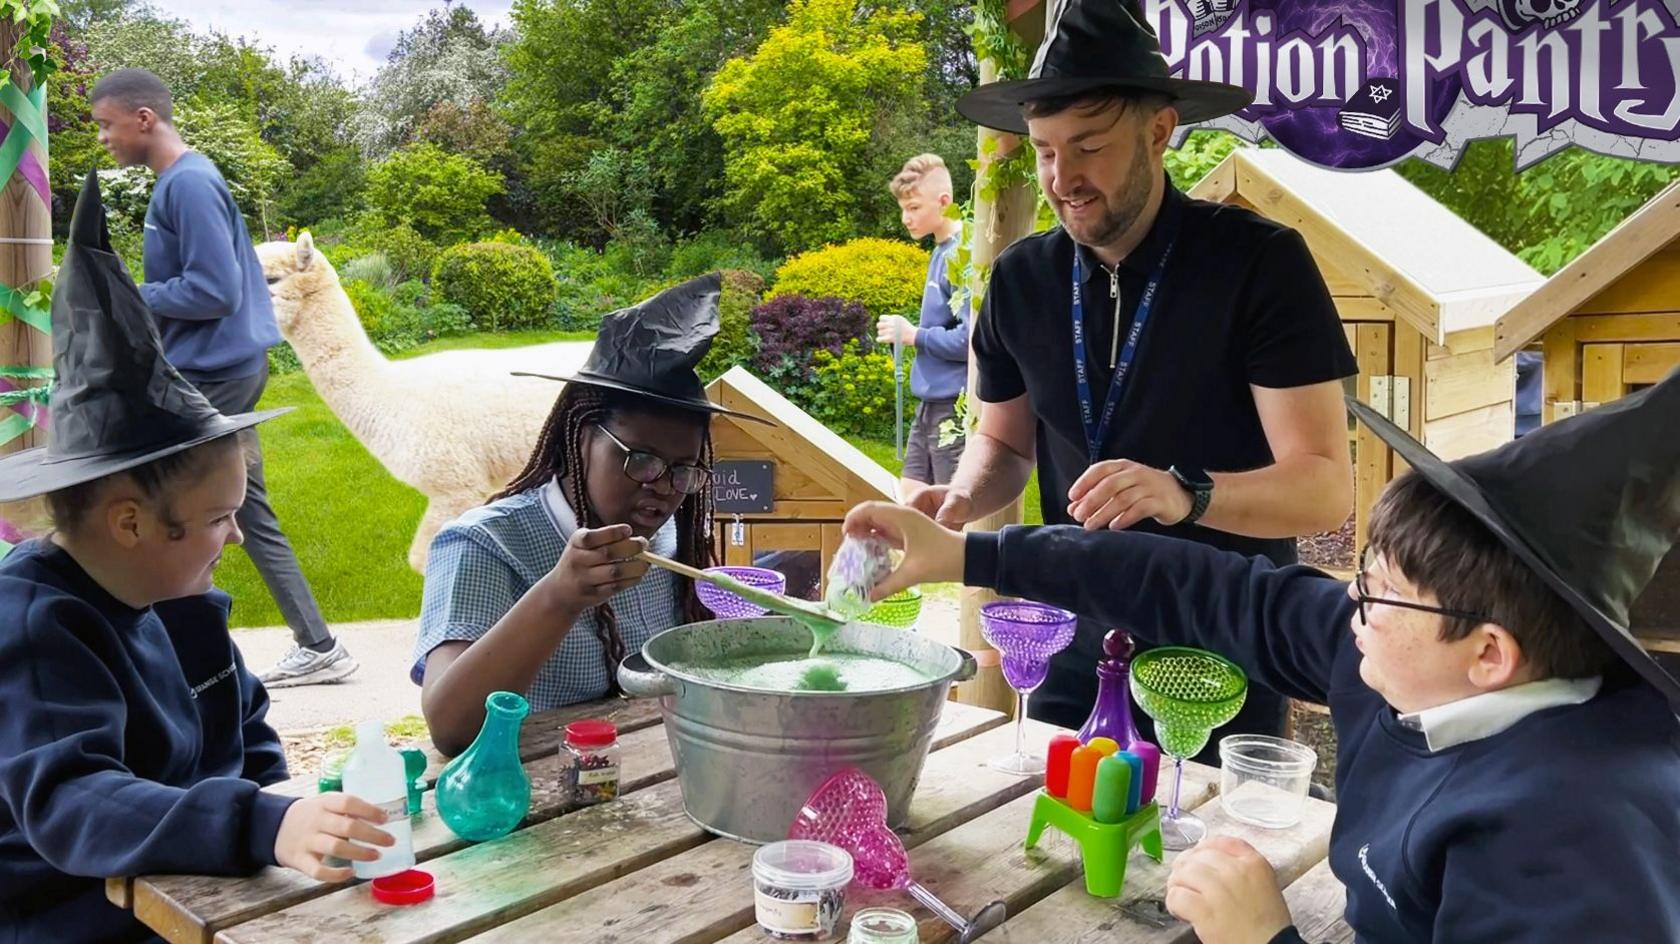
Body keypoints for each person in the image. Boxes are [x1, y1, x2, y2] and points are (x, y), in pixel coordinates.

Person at [845, 367, 1680, 943]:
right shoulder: (1401, 664)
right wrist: (968, 557)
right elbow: (1193, 584)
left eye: (1376, 596)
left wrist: (1265, 937)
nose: (1348, 610)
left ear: (1490, 654)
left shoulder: (1579, 839)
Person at [931, 0, 1357, 747]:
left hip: (1220, 652)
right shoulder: (1021, 279)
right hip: (1070, 633)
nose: (1064, 178)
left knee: (1194, 857)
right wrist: (960, 496)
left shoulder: (1259, 265)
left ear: (1159, 131)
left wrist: (1183, 493)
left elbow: (1323, 487)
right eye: (1044, 150)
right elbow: (1003, 444)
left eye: (1089, 146)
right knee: (1056, 847)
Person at [0, 175, 394, 943]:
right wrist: (258, 826)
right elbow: (77, 799)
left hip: (208, 902)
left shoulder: (180, 603)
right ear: (130, 523)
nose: (239, 538)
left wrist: (283, 818)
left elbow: (246, 740)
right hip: (77, 921)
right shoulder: (35, 629)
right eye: (219, 518)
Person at [413, 274, 769, 754]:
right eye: (640, 460)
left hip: (658, 784)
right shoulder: (484, 545)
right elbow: (450, 728)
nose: (663, 489)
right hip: (534, 799)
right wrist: (559, 597)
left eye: (685, 471)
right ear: (582, 440)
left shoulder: (673, 543)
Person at [89, 67, 353, 687]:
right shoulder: (178, 183)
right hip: (219, 369)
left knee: (163, 501)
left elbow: (215, 290)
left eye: (106, 124)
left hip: (215, 374)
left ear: (144, 119)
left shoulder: (189, 185)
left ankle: (168, 655)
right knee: (237, 506)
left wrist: (130, 291)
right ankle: (317, 645)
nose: (103, 137)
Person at [878, 154, 971, 501]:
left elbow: (970, 339)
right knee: (910, 497)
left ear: (943, 201)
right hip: (930, 401)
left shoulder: (962, 255)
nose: (906, 218)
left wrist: (913, 335)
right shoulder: (940, 250)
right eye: (903, 208)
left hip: (954, 407)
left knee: (951, 512)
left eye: (914, 207)